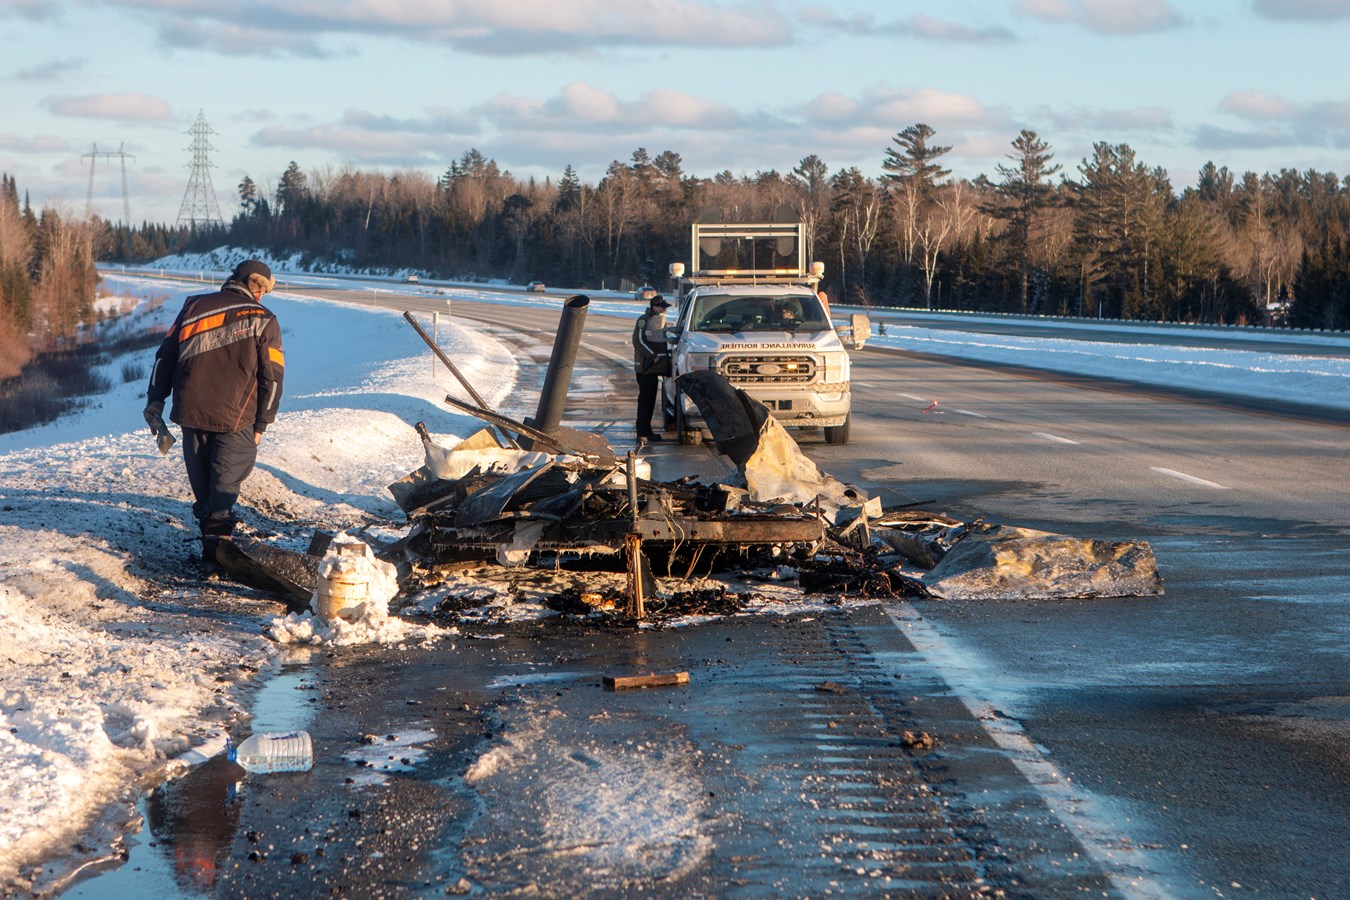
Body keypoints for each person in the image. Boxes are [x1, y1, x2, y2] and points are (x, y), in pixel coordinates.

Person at [144, 259, 284, 578]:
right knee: (222, 489)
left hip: (191, 413)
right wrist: (263, 423)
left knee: (206, 489)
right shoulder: (264, 319)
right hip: (238, 418)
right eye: (263, 291)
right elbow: (273, 378)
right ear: (258, 287)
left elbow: (165, 357)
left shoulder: (193, 307)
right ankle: (215, 561)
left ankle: (213, 551)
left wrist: (156, 399)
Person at [631, 293, 671, 443]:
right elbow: (638, 340)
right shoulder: (644, 320)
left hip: (652, 369)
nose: (664, 311)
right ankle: (642, 432)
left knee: (650, 400)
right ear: (655, 307)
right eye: (662, 307)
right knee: (646, 400)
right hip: (645, 368)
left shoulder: (657, 321)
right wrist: (652, 355)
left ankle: (646, 431)